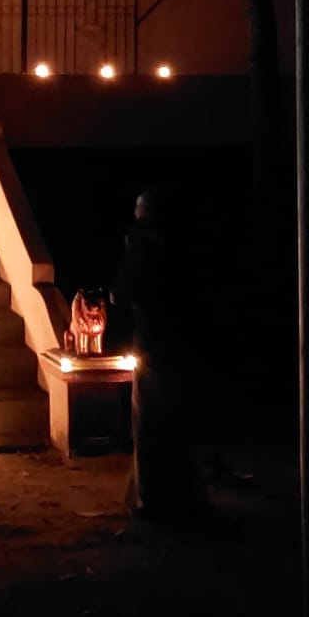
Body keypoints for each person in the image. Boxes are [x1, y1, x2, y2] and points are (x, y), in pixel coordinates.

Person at [109, 184, 209, 522]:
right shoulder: (188, 245)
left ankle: (152, 499)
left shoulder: (144, 247)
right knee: (177, 420)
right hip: (183, 339)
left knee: (150, 422)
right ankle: (183, 495)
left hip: (153, 339)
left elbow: (121, 292)